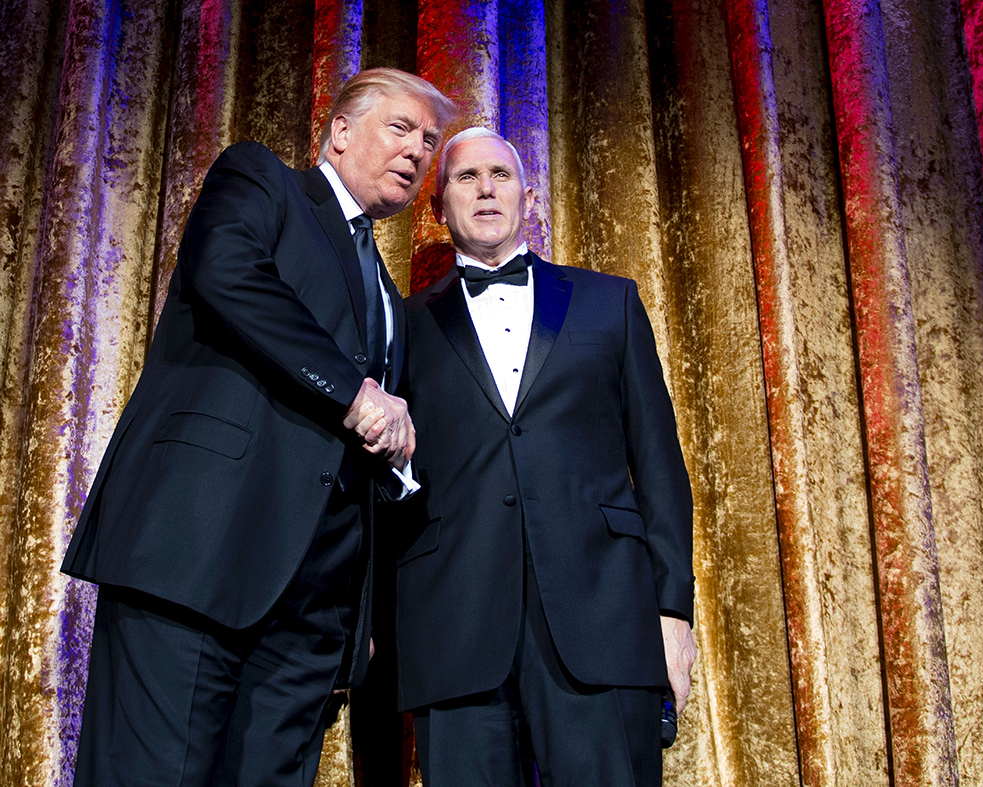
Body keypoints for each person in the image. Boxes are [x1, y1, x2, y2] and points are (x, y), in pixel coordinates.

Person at [61, 68, 454, 786]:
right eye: (400, 128)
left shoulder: (393, 300)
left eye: (429, 142)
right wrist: (357, 393)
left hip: (313, 614)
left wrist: (360, 597)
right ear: (339, 131)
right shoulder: (261, 180)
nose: (416, 150)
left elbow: (377, 443)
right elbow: (227, 272)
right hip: (199, 555)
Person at [396, 127, 696, 786]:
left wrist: (673, 612)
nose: (485, 189)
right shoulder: (403, 325)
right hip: (456, 629)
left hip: (605, 620)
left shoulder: (609, 302)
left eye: (500, 174)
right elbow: (382, 485)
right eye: (466, 177)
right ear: (440, 207)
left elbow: (660, 464)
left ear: (528, 197)